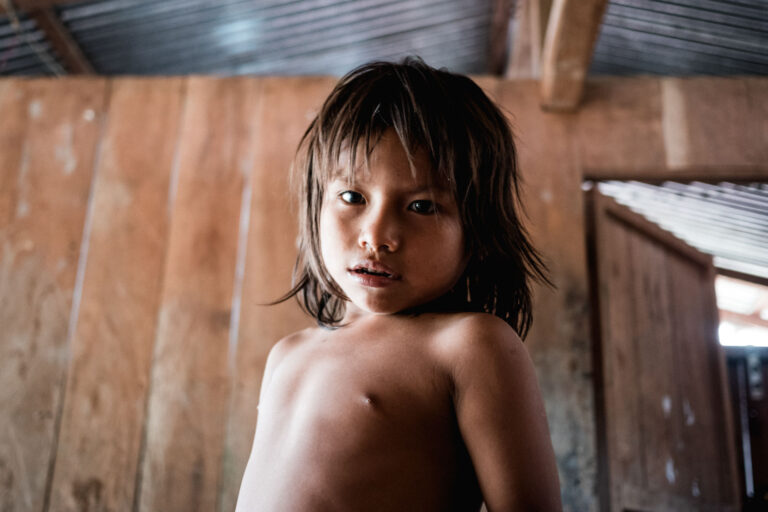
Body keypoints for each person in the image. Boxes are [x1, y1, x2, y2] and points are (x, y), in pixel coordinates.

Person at [235, 57, 562, 512]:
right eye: (352, 197)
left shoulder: (468, 345)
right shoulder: (286, 354)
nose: (377, 235)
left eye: (423, 207)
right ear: (317, 206)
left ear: (480, 232)